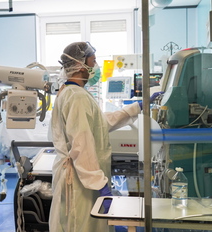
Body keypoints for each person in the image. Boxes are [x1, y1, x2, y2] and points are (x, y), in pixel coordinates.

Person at [49, 42, 162, 232]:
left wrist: (136, 107)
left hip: (82, 179)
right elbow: (82, 145)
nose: (96, 67)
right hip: (81, 182)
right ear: (80, 65)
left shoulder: (71, 93)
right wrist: (100, 184)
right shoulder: (77, 97)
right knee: (82, 225)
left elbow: (100, 123)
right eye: (93, 61)